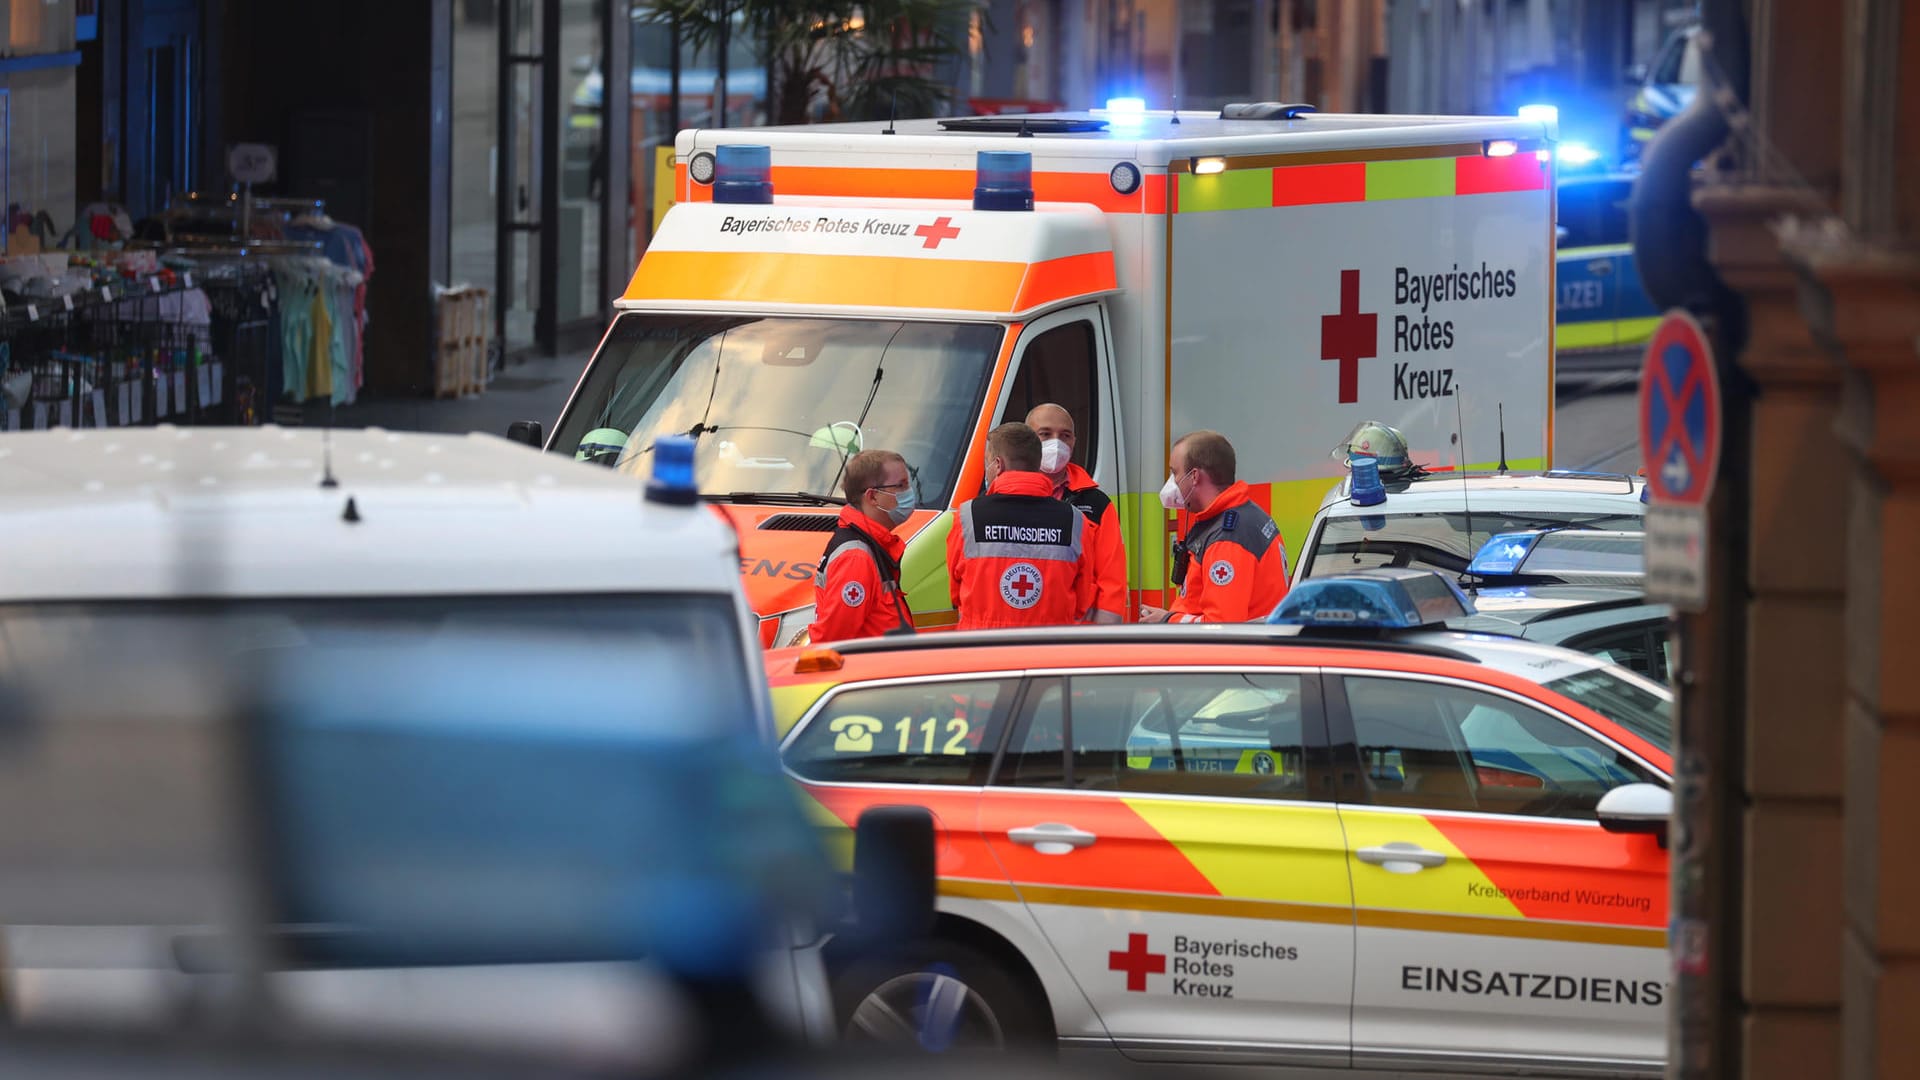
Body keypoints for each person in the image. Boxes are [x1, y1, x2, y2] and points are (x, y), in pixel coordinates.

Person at [947, 423, 1096, 630]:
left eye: (987, 462)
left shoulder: (967, 516)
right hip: (1050, 648)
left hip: (981, 649)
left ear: (998, 464)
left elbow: (955, 593)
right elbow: (1083, 597)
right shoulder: (1075, 520)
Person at [1139, 430, 1290, 624]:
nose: (1172, 482)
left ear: (1194, 476)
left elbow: (1221, 626)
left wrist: (1168, 620)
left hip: (1225, 652)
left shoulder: (1227, 538)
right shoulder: (1243, 515)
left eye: (1175, 472)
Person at [1027, 403, 1128, 623]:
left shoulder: (1096, 504)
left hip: (1077, 632)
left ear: (1074, 441)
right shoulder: (1005, 497)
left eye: (1065, 436)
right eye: (1045, 434)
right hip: (1021, 626)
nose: (1057, 443)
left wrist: (1104, 638)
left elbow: (1112, 579)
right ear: (1028, 440)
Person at [806, 449, 917, 644]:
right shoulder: (856, 557)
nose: (909, 493)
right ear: (873, 497)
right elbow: (832, 641)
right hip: (871, 672)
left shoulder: (869, 545)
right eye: (901, 486)